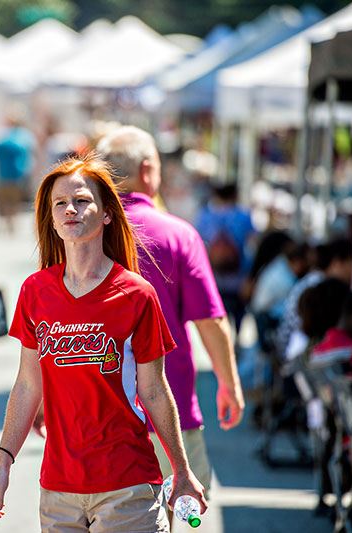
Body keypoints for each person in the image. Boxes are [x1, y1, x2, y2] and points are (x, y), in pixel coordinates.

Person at [0, 154, 207, 532]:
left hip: (127, 484)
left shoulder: (137, 295)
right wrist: (3, 460)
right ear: (51, 220)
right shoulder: (35, 291)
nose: (71, 208)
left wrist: (182, 471)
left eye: (82, 200)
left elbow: (154, 390)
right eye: (60, 203)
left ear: (105, 214)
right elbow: (27, 384)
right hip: (58, 489)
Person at [95, 126, 244, 502]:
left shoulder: (79, 234)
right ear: (147, 170)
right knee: (178, 513)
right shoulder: (178, 235)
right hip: (167, 411)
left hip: (92, 416)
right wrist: (229, 383)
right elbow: (210, 321)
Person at [195, 182, 257, 335]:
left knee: (218, 315)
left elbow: (199, 246)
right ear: (234, 195)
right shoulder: (244, 216)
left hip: (213, 277)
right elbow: (252, 246)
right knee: (238, 314)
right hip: (240, 277)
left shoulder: (205, 216)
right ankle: (236, 342)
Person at [0, 112, 35, 234]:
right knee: (13, 201)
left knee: (7, 201)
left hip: (5, 174)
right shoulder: (25, 137)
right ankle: (12, 223)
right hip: (17, 174)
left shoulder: (4, 137)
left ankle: (10, 223)